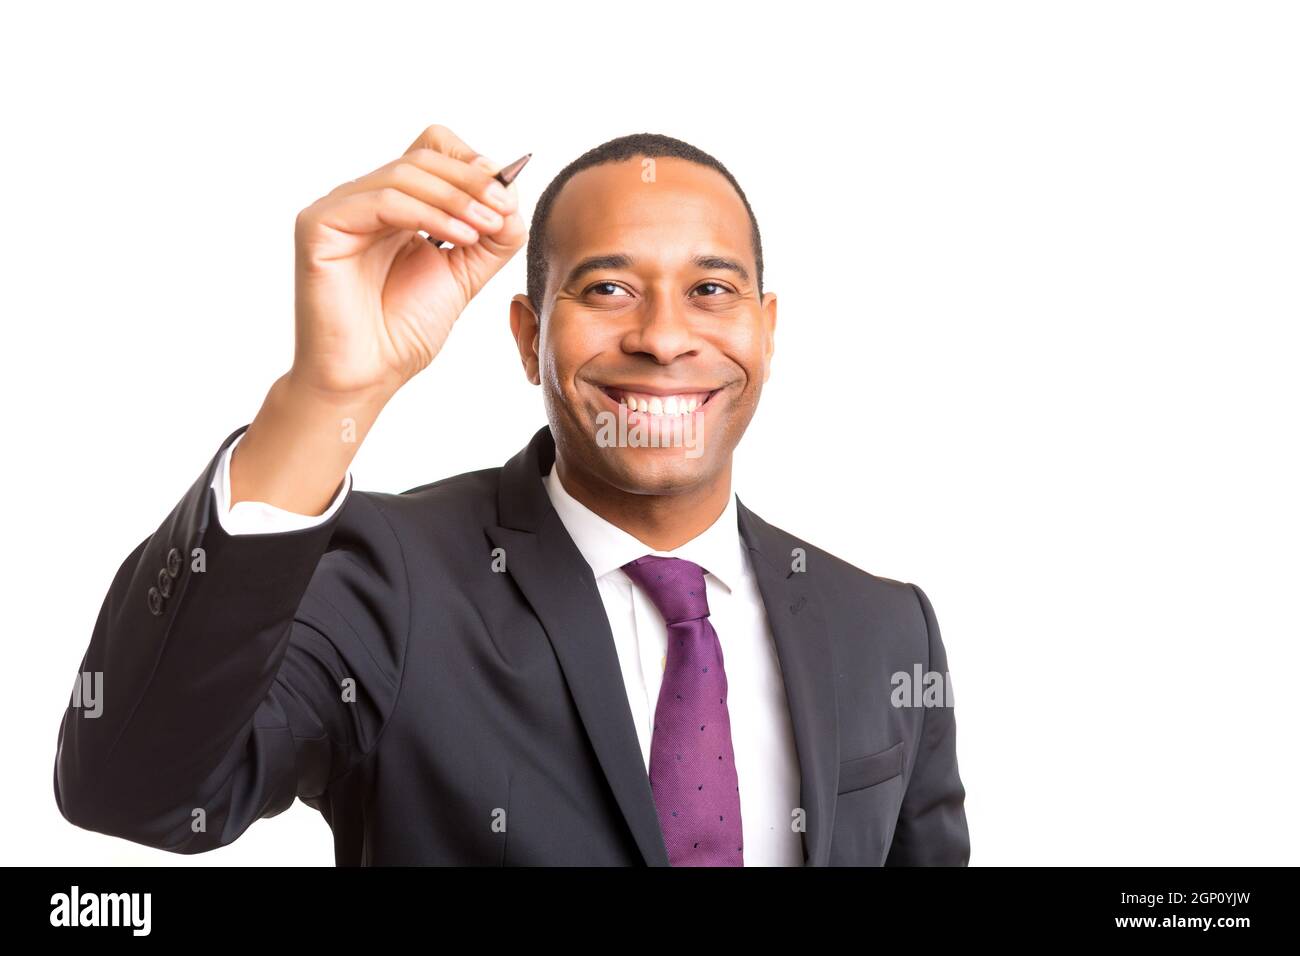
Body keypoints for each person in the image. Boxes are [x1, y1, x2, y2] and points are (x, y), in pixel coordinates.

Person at [54, 123, 970, 866]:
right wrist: (327, 395)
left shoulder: (885, 628)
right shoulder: (389, 584)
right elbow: (138, 792)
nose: (662, 336)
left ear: (765, 333)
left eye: (711, 290)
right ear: (528, 336)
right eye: (607, 287)